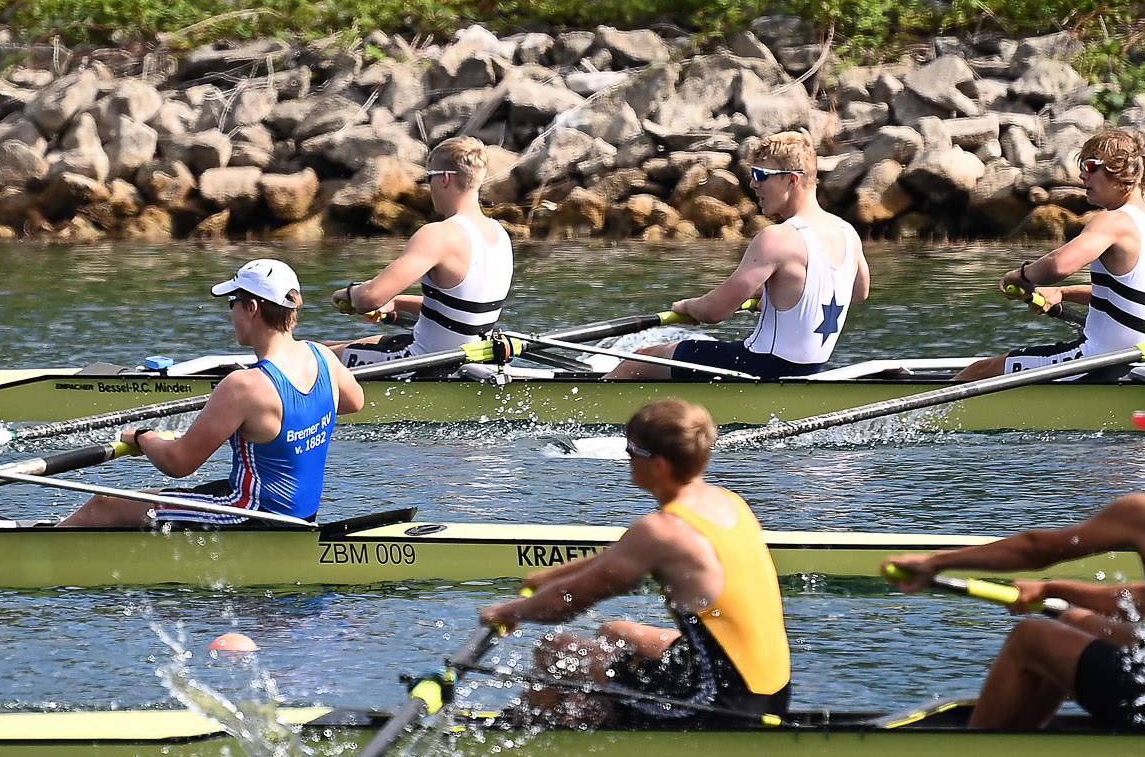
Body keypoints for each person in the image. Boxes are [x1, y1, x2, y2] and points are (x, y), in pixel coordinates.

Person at [886, 385, 1145, 730]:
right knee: (1074, 621)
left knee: (1031, 636)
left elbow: (1037, 549)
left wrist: (936, 562)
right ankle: (1022, 745)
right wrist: (1054, 590)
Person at [479, 398, 791, 727]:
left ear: (659, 465)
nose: (626, 461)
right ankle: (592, 715)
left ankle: (529, 738)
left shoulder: (660, 531)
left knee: (555, 651)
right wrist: (551, 575)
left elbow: (564, 603)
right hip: (767, 690)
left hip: (717, 703)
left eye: (630, 452)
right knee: (615, 632)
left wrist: (505, 612)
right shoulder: (728, 503)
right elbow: (619, 557)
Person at [56, 258, 362, 528]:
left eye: (232, 303)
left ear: (252, 308)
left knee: (106, 504)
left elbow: (179, 464)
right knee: (148, 502)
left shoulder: (244, 385)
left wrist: (143, 438)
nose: (231, 314)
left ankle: (38, 552)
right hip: (298, 514)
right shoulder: (323, 356)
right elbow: (353, 402)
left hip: (251, 513)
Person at [608, 130, 868, 380]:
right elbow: (857, 292)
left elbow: (714, 311)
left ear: (792, 179)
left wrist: (688, 307)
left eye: (760, 174)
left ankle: (579, 411)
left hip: (761, 365)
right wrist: (777, 297)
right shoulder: (847, 233)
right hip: (809, 370)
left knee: (640, 360)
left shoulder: (776, 238)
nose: (753, 184)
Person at [957, 128, 1145, 383]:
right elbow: (1128, 300)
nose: (1082, 175)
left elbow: (1059, 265)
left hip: (1099, 361)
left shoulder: (1114, 221)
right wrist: (1063, 293)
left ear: (1122, 170)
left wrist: (1023, 275)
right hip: (1144, 363)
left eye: (1090, 166)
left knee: (978, 373)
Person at [329, 135, 514, 366]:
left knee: (306, 356)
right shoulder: (499, 235)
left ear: (445, 178)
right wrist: (396, 303)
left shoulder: (439, 235)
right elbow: (463, 311)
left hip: (425, 362)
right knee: (327, 347)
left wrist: (349, 294)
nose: (429, 186)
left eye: (429, 177)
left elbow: (370, 298)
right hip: (472, 360)